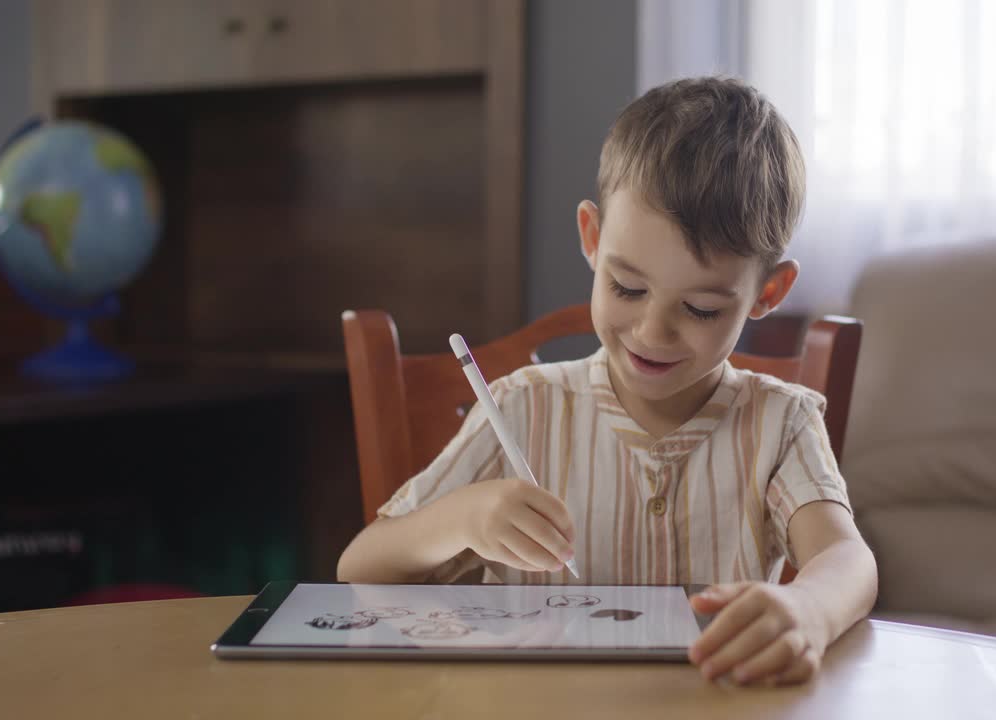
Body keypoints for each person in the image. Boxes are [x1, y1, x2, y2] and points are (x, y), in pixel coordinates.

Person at [337, 76, 878, 686]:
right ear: (593, 239)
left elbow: (846, 559)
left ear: (768, 293)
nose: (653, 332)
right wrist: (462, 519)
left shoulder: (780, 424)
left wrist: (808, 609)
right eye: (628, 288)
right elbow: (360, 568)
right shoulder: (520, 409)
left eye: (700, 309)